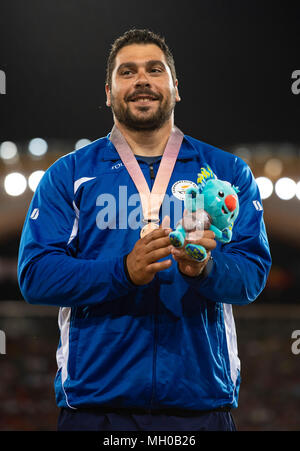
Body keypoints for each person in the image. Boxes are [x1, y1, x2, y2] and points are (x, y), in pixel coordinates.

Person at [17, 28, 271, 432]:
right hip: (95, 407)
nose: (142, 80)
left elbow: (253, 274)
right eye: (127, 72)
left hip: (200, 405)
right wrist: (122, 272)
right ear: (107, 91)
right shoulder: (69, 175)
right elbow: (35, 275)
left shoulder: (225, 173)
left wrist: (205, 270)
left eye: (155, 70)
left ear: (175, 87)